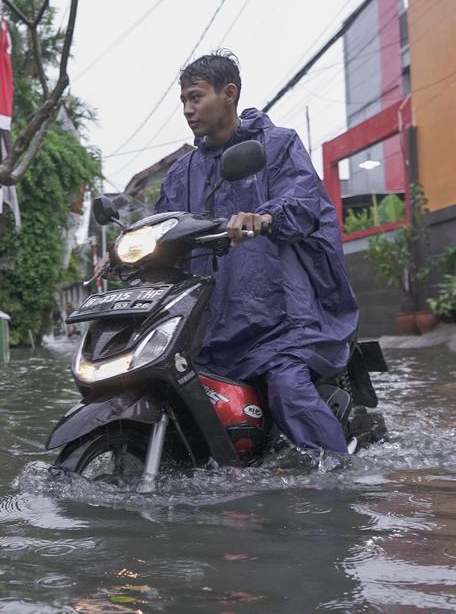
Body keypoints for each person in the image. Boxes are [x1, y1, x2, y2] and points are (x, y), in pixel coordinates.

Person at [154, 50, 360, 455]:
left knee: (287, 387)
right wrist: (126, 248)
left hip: (280, 317)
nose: (188, 109)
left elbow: (303, 200)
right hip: (211, 319)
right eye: (183, 101)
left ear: (228, 93)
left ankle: (338, 475)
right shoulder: (184, 171)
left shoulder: (278, 145)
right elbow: (165, 224)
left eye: (196, 97)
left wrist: (264, 216)